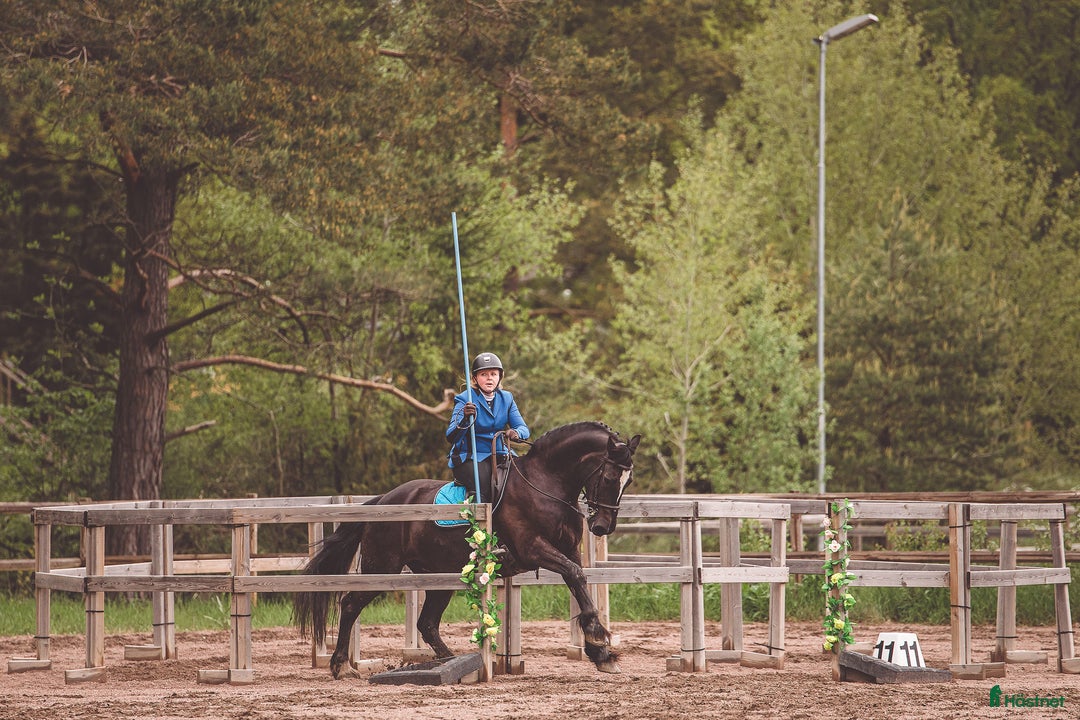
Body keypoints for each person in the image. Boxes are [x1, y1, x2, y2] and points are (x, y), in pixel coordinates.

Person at [446, 351, 530, 500]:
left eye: (493, 374)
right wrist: (465, 419)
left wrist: (516, 433)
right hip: (471, 457)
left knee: (524, 479)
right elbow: (450, 435)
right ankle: (479, 522)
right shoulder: (465, 398)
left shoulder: (507, 398)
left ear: (500, 377)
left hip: (500, 454)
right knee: (484, 486)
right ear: (475, 378)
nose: (489, 378)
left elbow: (523, 429)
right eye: (484, 374)